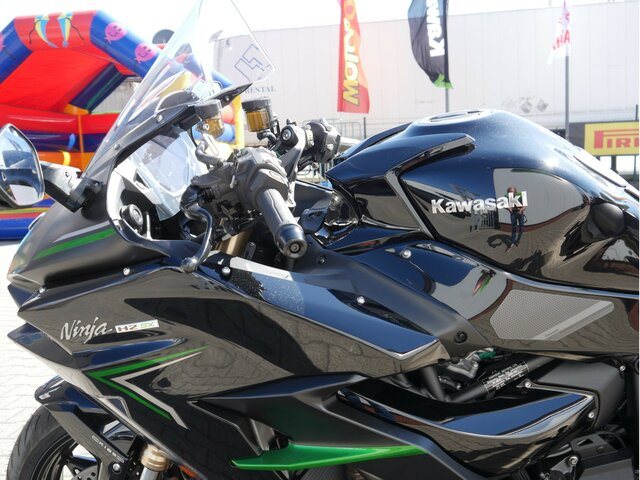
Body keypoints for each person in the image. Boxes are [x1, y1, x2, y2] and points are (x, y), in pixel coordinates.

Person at [506, 186, 526, 250]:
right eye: (509, 193)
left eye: (512, 192)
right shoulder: (507, 197)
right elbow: (505, 205)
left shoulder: (521, 196)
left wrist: (521, 210)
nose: (511, 194)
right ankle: (512, 242)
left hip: (520, 213)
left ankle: (518, 241)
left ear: (515, 192)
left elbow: (525, 206)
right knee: (514, 228)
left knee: (521, 228)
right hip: (513, 214)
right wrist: (509, 210)